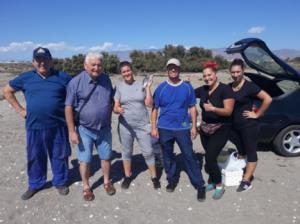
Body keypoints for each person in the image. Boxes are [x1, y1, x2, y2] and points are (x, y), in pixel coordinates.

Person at [2, 47, 72, 200]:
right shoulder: (25, 78)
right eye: (38, 59)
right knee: (35, 156)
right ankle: (35, 184)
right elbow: (6, 91)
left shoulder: (63, 77)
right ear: (33, 62)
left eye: (45, 59)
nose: (42, 62)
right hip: (34, 126)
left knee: (60, 155)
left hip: (58, 125)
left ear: (51, 61)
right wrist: (20, 110)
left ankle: (60, 181)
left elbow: (77, 92)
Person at [151, 58, 206, 202]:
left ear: (179, 69)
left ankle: (199, 184)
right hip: (164, 128)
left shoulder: (187, 87)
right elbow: (155, 109)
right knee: (168, 156)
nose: (173, 70)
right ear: (167, 70)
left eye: (175, 67)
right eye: (170, 68)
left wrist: (193, 126)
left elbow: (192, 107)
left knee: (189, 155)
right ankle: (172, 179)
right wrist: (153, 128)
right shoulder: (161, 88)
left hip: (182, 128)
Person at [65, 52, 115, 201]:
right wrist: (71, 131)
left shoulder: (106, 79)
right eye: (93, 64)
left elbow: (111, 100)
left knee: (106, 157)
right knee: (85, 160)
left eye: (99, 65)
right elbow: (68, 107)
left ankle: (106, 182)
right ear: (85, 65)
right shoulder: (75, 82)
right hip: (84, 130)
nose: (96, 67)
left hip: (104, 128)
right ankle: (86, 186)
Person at [113, 61, 160, 189]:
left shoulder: (141, 84)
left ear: (131, 70)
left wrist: (148, 88)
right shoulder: (119, 87)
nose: (126, 73)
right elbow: (115, 106)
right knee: (127, 151)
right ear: (121, 73)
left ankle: (154, 177)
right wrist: (118, 110)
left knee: (148, 151)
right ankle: (128, 176)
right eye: (123, 72)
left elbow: (149, 104)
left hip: (142, 125)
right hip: (125, 126)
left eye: (128, 70)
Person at [229, 58, 272, 192]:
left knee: (251, 151)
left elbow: (268, 98)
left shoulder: (250, 86)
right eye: (233, 72)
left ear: (243, 71)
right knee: (241, 150)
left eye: (238, 72)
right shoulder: (230, 86)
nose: (235, 75)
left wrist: (257, 114)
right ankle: (242, 168)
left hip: (249, 125)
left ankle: (247, 180)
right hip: (234, 126)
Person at [194, 61, 235, 199]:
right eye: (205, 76)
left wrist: (213, 109)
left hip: (221, 128)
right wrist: (186, 84)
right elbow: (190, 93)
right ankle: (212, 179)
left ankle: (219, 184)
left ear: (215, 75)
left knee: (210, 158)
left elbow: (228, 111)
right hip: (205, 128)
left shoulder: (225, 90)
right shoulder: (204, 89)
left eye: (209, 75)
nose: (207, 78)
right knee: (210, 156)